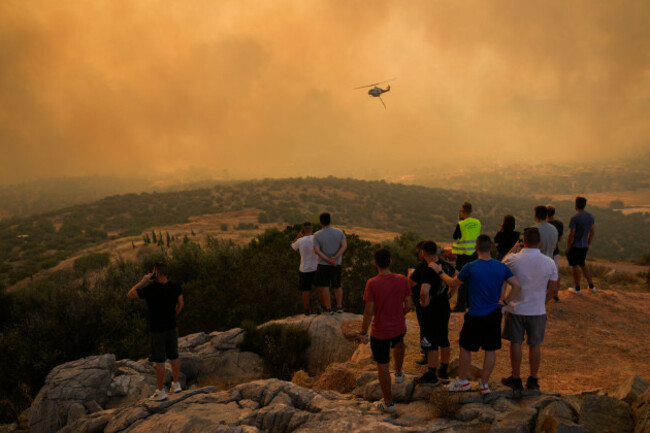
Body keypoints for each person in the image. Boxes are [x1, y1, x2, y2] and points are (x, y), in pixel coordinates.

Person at [431, 235, 521, 395]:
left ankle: (462, 381)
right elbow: (517, 285)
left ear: (476, 248)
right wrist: (505, 303)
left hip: (475, 314)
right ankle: (484, 384)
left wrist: (439, 272)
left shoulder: (470, 267)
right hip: (494, 313)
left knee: (465, 347)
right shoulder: (501, 267)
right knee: (490, 349)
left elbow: (452, 283)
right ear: (491, 248)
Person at [500, 228, 558, 395]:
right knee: (535, 344)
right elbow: (553, 290)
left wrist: (513, 248)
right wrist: (542, 301)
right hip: (537, 310)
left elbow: (501, 264)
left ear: (523, 241)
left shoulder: (513, 259)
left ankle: (516, 378)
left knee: (515, 343)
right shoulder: (549, 262)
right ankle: (533, 379)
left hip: (516, 308)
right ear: (539, 242)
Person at [360, 248, 413, 414]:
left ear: (375, 263)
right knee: (399, 343)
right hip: (398, 327)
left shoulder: (372, 283)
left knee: (382, 365)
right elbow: (409, 305)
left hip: (380, 331)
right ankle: (398, 373)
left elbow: (369, 311)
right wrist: (400, 314)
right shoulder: (402, 279)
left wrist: (363, 332)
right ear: (390, 261)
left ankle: (388, 403)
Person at [127, 262, 184, 401]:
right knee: (174, 356)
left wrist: (143, 281)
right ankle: (176, 384)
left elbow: (130, 294)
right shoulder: (175, 286)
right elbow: (181, 303)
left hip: (157, 329)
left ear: (156, 273)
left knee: (159, 360)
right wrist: (173, 315)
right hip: (172, 326)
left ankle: (160, 391)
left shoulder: (150, 289)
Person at [413, 241, 457, 385]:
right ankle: (443, 372)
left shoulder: (428, 269)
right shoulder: (445, 265)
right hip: (444, 304)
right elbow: (458, 277)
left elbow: (424, 291)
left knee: (431, 340)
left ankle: (431, 374)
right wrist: (450, 294)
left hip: (431, 307)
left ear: (423, 252)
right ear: (436, 252)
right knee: (443, 337)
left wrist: (424, 303)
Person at [313, 212, 347, 313]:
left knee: (325, 286)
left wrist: (327, 260)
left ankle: (328, 308)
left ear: (320, 222)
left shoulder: (317, 235)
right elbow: (344, 246)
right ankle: (339, 306)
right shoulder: (339, 232)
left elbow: (316, 250)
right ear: (330, 221)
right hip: (337, 264)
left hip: (323, 264)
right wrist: (335, 258)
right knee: (337, 285)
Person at [451, 202, 481, 312]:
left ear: (462, 211)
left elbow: (455, 236)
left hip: (463, 255)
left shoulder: (461, 224)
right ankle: (469, 303)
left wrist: (460, 221)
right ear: (471, 211)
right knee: (471, 279)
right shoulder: (477, 222)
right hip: (474, 254)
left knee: (462, 279)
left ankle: (460, 305)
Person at [566, 197, 596, 294]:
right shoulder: (590, 217)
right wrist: (589, 244)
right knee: (583, 265)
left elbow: (572, 234)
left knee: (575, 267)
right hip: (584, 245)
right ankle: (592, 286)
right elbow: (592, 232)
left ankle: (577, 288)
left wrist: (568, 247)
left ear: (576, 205)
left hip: (575, 245)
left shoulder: (575, 218)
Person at [407, 241, 429, 366]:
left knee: (424, 328)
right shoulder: (440, 265)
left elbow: (411, 283)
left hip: (422, 302)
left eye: (418, 252)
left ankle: (426, 354)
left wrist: (409, 275)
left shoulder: (422, 266)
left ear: (422, 251)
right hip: (434, 302)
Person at [291, 222, 319, 315]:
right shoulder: (316, 239)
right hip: (316, 268)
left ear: (303, 229)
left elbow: (292, 247)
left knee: (305, 290)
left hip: (304, 269)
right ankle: (323, 307)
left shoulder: (300, 241)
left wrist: (298, 235)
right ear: (312, 228)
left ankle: (307, 310)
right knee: (320, 289)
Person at [546, 206, 564, 302]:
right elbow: (560, 239)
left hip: (545, 251)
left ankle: (545, 292)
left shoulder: (544, 225)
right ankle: (555, 294)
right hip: (555, 251)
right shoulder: (559, 224)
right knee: (555, 272)